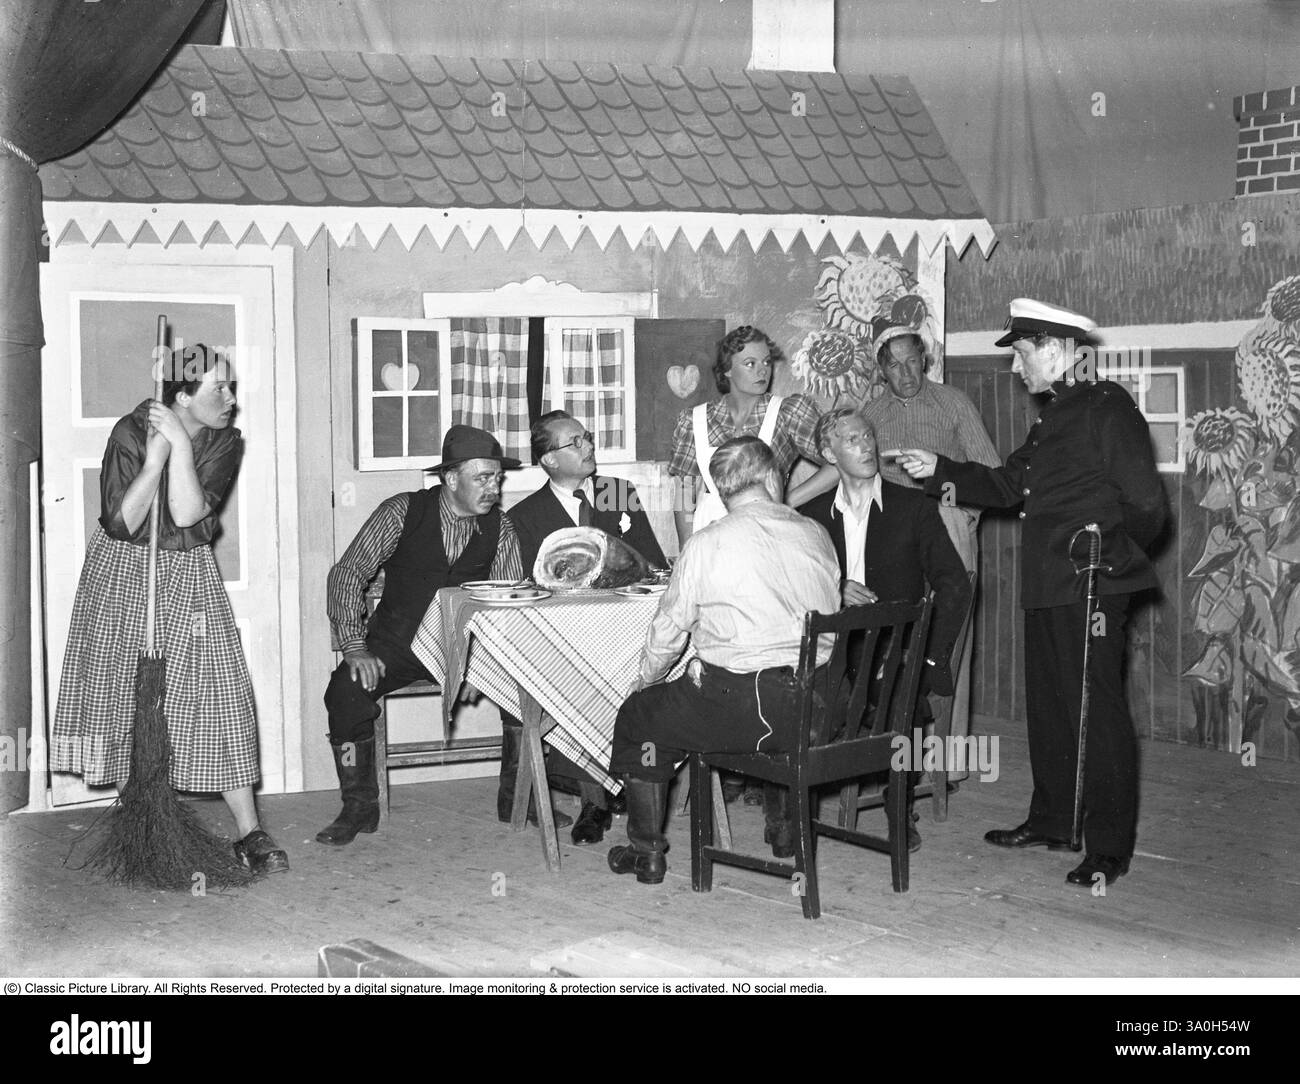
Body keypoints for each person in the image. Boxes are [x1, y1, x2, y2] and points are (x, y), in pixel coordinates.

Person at [889, 298, 1167, 888]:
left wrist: (1109, 559)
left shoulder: (1107, 407)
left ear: (1057, 350)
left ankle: (1109, 848)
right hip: (1049, 584)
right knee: (1050, 707)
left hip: (1091, 583)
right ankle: (1053, 821)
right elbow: (1009, 485)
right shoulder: (1056, 417)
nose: (1017, 368)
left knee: (1096, 713)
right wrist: (939, 466)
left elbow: (1146, 506)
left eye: (1020, 353)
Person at [51, 346, 289, 876]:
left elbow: (185, 512)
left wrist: (180, 446)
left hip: (187, 572)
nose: (231, 399)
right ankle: (141, 819)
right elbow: (123, 522)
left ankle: (250, 832)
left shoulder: (225, 442)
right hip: (122, 571)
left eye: (229, 387)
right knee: (126, 692)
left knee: (220, 691)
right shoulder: (129, 433)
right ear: (182, 395)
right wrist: (154, 457)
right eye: (219, 389)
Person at [319, 424, 570, 846]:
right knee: (344, 691)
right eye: (483, 478)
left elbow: (505, 609)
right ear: (451, 479)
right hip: (396, 646)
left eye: (497, 478)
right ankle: (359, 805)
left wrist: (484, 666)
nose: (494, 488)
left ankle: (517, 796)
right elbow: (347, 574)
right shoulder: (401, 511)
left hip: (465, 649)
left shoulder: (500, 529)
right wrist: (354, 646)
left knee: (531, 684)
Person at [606, 436, 841, 884]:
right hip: (819, 708)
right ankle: (785, 829)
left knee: (640, 718)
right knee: (767, 700)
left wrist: (647, 680)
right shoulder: (816, 534)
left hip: (746, 712)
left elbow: (668, 631)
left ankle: (646, 852)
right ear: (773, 478)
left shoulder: (705, 544)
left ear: (718, 490)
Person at [796, 407, 972, 854]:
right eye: (852, 440)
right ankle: (792, 808)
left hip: (897, 649)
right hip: (833, 648)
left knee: (896, 688)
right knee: (796, 687)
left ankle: (899, 807)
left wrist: (928, 654)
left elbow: (954, 584)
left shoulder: (913, 508)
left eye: (869, 437)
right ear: (827, 452)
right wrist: (833, 588)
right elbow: (791, 585)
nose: (867, 446)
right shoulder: (812, 516)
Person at [509, 410, 667, 845]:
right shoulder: (524, 516)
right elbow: (527, 587)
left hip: (625, 626)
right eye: (574, 443)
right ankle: (595, 799)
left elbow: (653, 562)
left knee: (646, 683)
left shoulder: (619, 494)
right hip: (566, 635)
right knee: (567, 685)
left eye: (588, 438)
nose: (588, 447)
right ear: (548, 461)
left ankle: (631, 784)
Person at [667, 325, 823, 547]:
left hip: (767, 537)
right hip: (711, 540)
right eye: (751, 363)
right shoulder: (695, 421)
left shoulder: (788, 413)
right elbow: (684, 495)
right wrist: (687, 548)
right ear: (728, 369)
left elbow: (838, 463)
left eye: (767, 362)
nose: (762, 371)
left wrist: (786, 502)